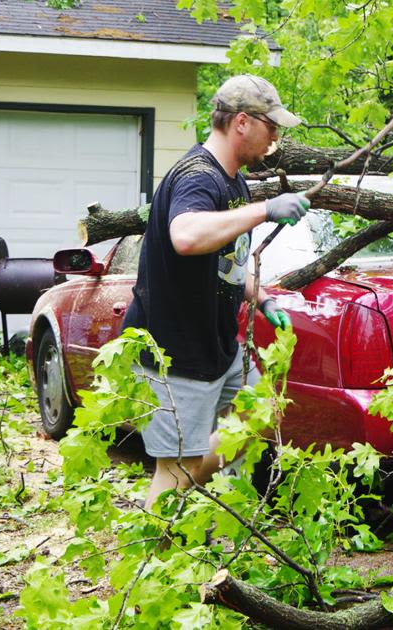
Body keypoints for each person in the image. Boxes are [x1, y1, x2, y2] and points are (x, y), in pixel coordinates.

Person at [121, 75, 311, 508]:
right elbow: (186, 237)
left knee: (260, 411)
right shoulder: (197, 177)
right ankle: (151, 567)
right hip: (175, 352)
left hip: (218, 349)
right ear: (242, 122)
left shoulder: (233, 182)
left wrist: (260, 298)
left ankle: (188, 501)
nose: (276, 138)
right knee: (175, 472)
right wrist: (265, 209)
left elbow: (223, 265)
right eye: (271, 126)